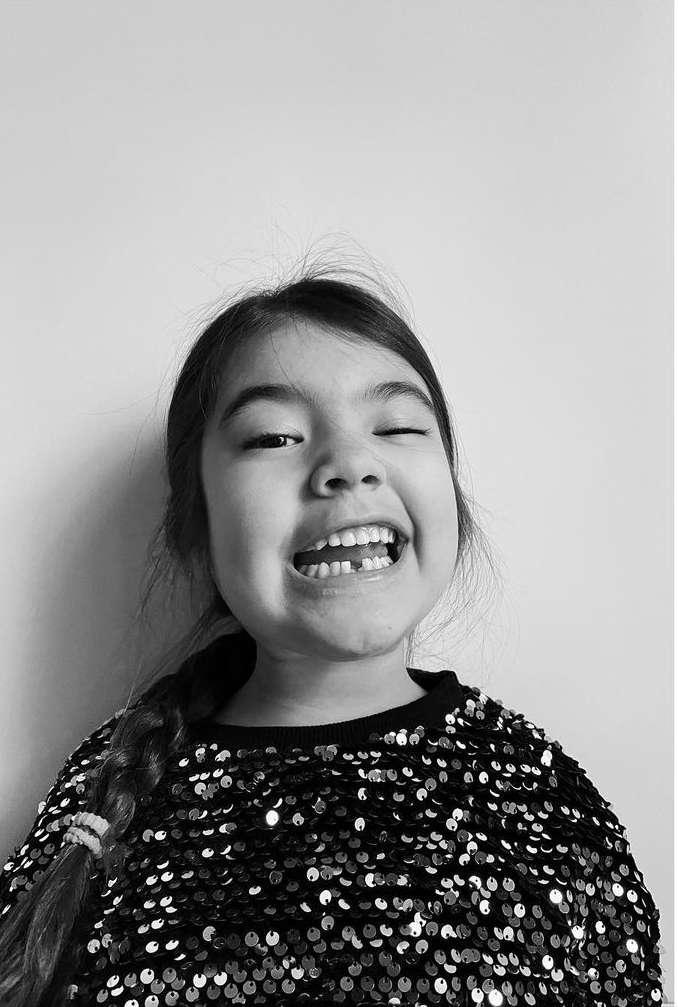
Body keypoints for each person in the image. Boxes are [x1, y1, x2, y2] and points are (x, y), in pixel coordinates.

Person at [0, 264, 665, 1006]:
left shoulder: (547, 805)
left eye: (398, 427)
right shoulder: (107, 790)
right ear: (196, 522)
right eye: (274, 436)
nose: (349, 465)